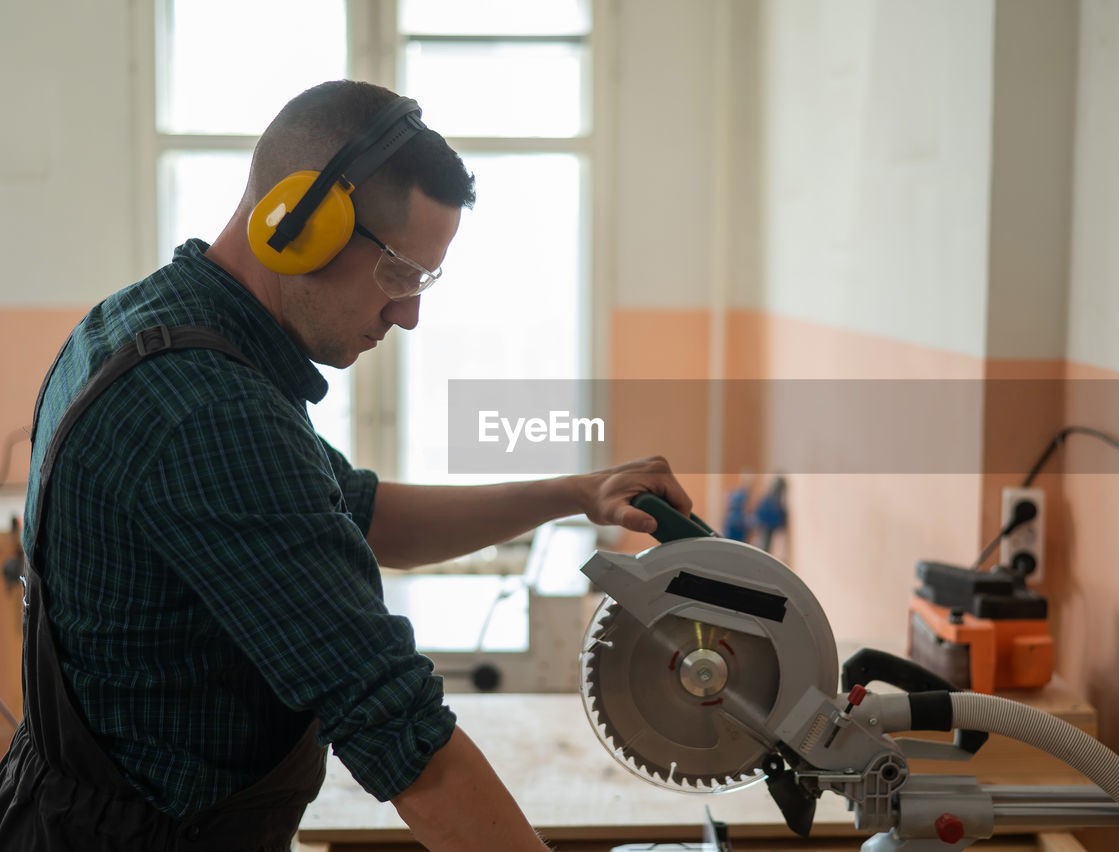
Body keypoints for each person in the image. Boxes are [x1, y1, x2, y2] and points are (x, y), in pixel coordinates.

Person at [0, 79, 692, 851]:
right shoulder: (204, 413)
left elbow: (360, 514)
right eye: (399, 273)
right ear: (298, 227)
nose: (410, 313)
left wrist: (577, 492)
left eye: (424, 280)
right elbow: (400, 733)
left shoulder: (152, 327)